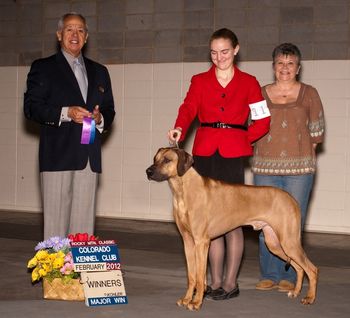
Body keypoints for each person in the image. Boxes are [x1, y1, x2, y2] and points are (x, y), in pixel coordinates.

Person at [168, 28, 270, 301]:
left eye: (224, 52)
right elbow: (188, 108)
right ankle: (210, 282)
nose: (219, 57)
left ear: (236, 50)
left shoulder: (249, 82)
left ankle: (230, 282)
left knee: (233, 220)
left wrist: (242, 138)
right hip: (204, 151)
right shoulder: (199, 80)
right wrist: (179, 127)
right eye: (213, 52)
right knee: (205, 222)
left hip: (233, 153)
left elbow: (263, 120)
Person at [24, 12, 115, 240]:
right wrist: (66, 113)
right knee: (55, 227)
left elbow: (109, 110)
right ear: (59, 34)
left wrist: (99, 119)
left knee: (83, 231)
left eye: (80, 30)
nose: (75, 34)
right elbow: (32, 107)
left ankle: (79, 274)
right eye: (69, 29)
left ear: (87, 36)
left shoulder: (100, 71)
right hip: (57, 157)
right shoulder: (43, 68)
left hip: (89, 156)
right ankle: (54, 276)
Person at [252, 43, 325, 292]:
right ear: (273, 67)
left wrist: (304, 162)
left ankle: (292, 276)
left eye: (290, 63)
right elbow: (252, 127)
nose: (285, 68)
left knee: (292, 226)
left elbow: (317, 133)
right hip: (264, 170)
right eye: (280, 63)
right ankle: (269, 273)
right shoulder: (259, 93)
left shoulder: (310, 93)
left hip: (299, 173)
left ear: (298, 68)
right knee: (265, 224)